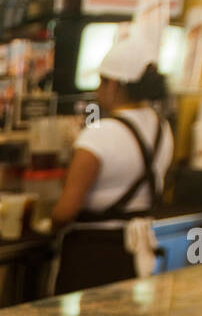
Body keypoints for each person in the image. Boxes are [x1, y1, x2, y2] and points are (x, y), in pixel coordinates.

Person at [48, 37, 172, 294]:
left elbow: (65, 212)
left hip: (93, 256)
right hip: (135, 252)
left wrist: (46, 222)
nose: (98, 91)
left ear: (114, 84)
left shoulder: (100, 134)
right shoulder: (162, 128)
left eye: (101, 82)